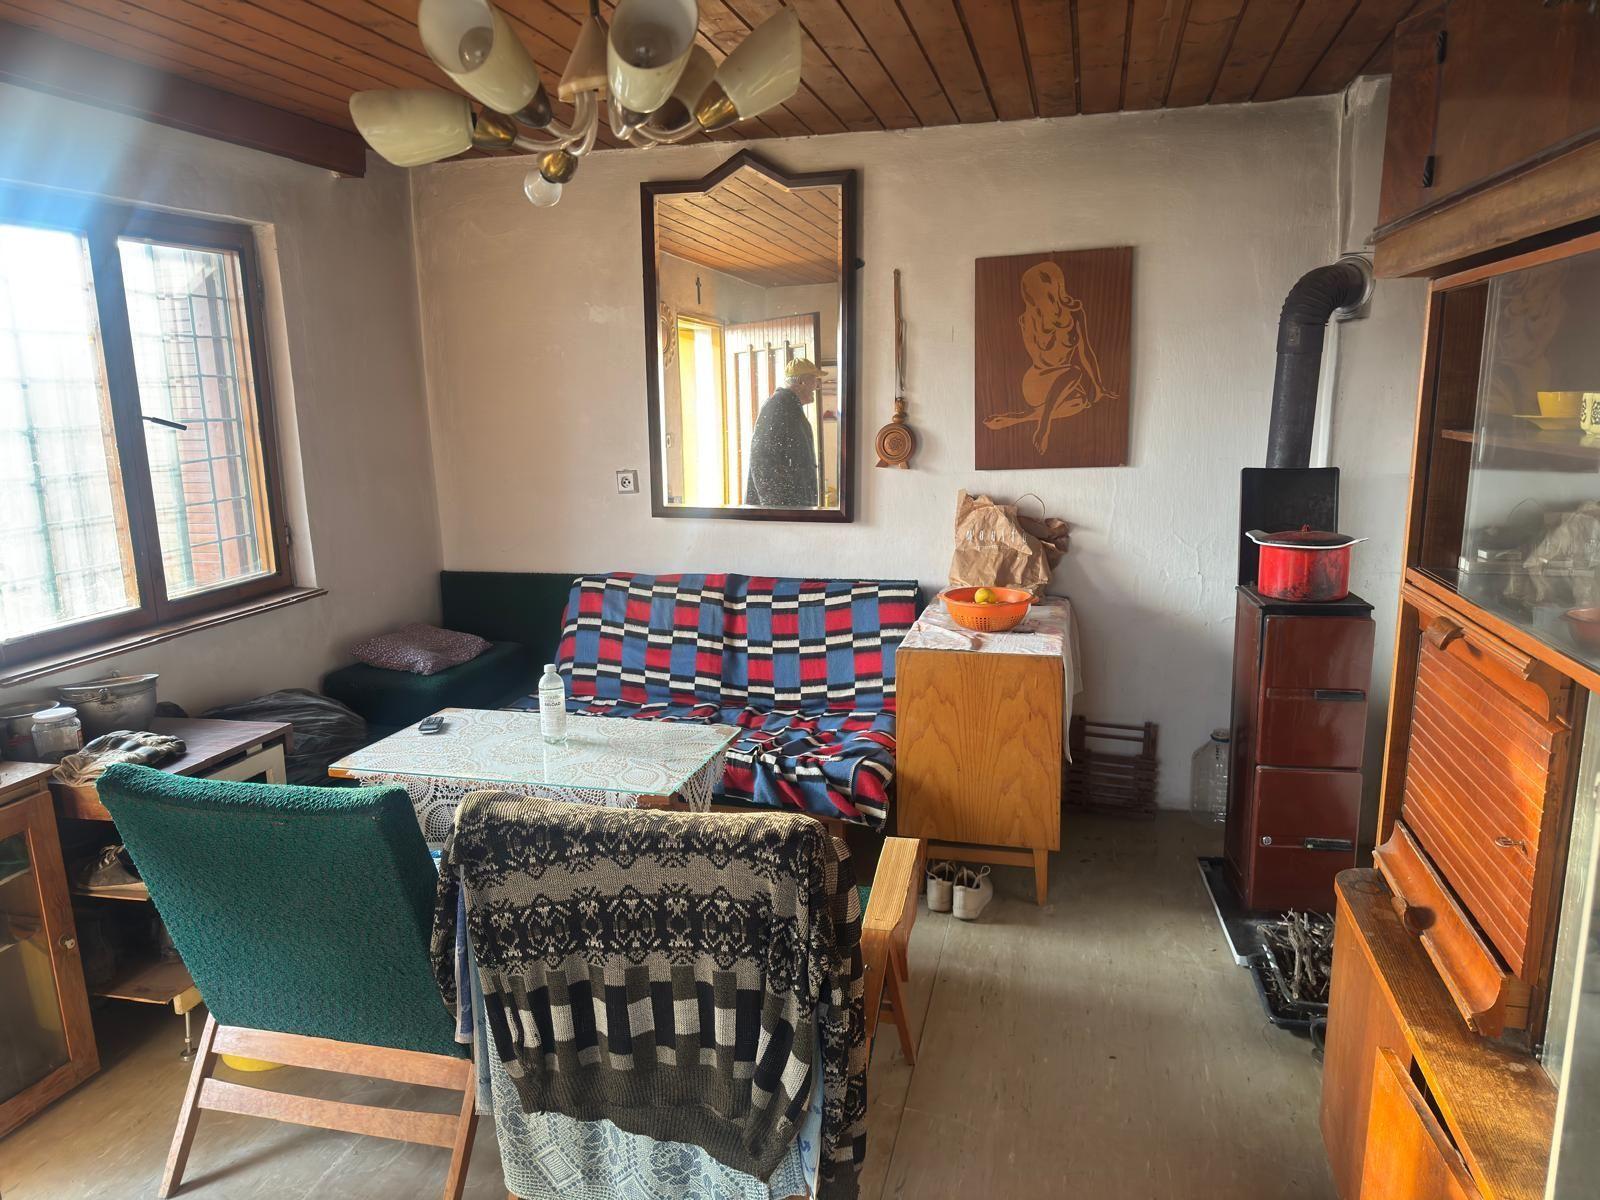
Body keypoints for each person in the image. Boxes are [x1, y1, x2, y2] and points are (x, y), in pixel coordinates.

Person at [745, 357, 823, 508]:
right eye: (814, 379)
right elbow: (760, 460)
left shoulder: (789, 405)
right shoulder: (778, 405)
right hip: (782, 508)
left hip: (790, 507)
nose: (817, 386)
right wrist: (775, 509)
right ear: (801, 382)